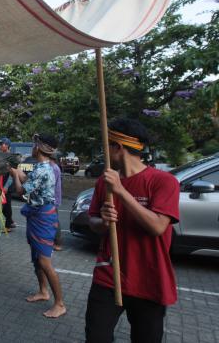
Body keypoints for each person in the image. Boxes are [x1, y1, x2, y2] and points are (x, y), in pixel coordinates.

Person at [85, 118, 179, 343]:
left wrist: (121, 192)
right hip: (109, 275)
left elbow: (157, 226)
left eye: (107, 145)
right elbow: (93, 221)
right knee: (96, 338)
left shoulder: (164, 181)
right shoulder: (104, 182)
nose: (104, 150)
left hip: (149, 280)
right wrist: (104, 223)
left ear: (117, 147)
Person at [10, 133, 66, 319]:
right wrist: (20, 174)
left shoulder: (44, 169)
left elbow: (20, 191)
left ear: (40, 149)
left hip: (43, 217)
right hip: (36, 215)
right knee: (36, 258)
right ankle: (43, 291)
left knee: (44, 261)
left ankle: (60, 303)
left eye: (35, 145)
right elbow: (31, 183)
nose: (32, 148)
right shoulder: (42, 167)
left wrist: (14, 175)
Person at [49, 155, 63, 250]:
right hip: (54, 198)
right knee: (53, 219)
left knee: (55, 220)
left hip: (53, 199)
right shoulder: (55, 167)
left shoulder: (53, 168)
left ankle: (57, 242)